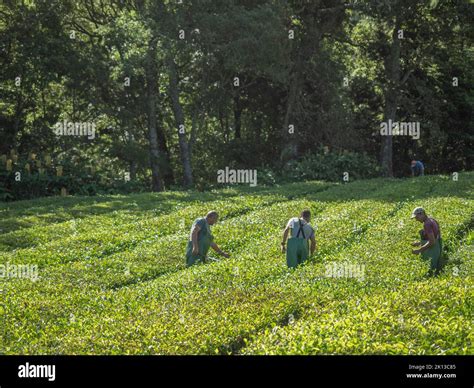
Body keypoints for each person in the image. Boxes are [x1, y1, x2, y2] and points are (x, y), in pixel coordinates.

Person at [411, 207, 444, 276]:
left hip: (432, 250)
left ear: (422, 214)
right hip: (437, 247)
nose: (416, 219)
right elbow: (433, 237)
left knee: (431, 271)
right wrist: (419, 243)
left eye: (417, 217)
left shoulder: (427, 224)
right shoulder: (432, 220)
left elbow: (432, 241)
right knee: (435, 269)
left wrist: (419, 250)